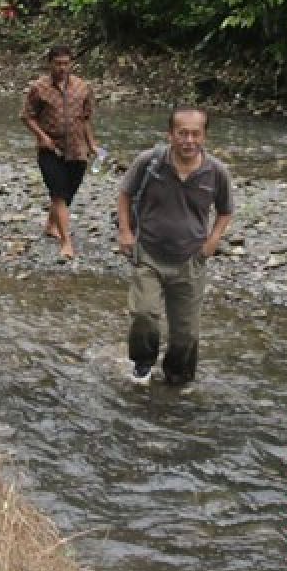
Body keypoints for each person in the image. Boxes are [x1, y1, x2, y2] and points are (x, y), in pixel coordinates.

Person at [115, 107, 234, 387]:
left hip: (191, 259)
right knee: (144, 314)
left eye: (195, 134)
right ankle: (143, 364)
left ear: (204, 136)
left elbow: (226, 210)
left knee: (187, 334)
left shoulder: (216, 172)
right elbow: (125, 193)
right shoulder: (150, 162)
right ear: (170, 135)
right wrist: (125, 232)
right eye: (182, 133)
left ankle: (177, 380)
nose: (188, 140)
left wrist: (213, 240)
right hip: (149, 253)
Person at [21, 44, 98, 260]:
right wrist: (42, 137)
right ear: (50, 64)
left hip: (77, 148)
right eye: (58, 63)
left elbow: (86, 118)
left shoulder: (82, 87)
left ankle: (51, 225)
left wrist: (92, 144)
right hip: (50, 148)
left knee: (68, 192)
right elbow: (27, 116)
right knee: (58, 192)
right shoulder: (39, 88)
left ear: (72, 64)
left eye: (66, 63)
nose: (62, 68)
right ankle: (67, 243)